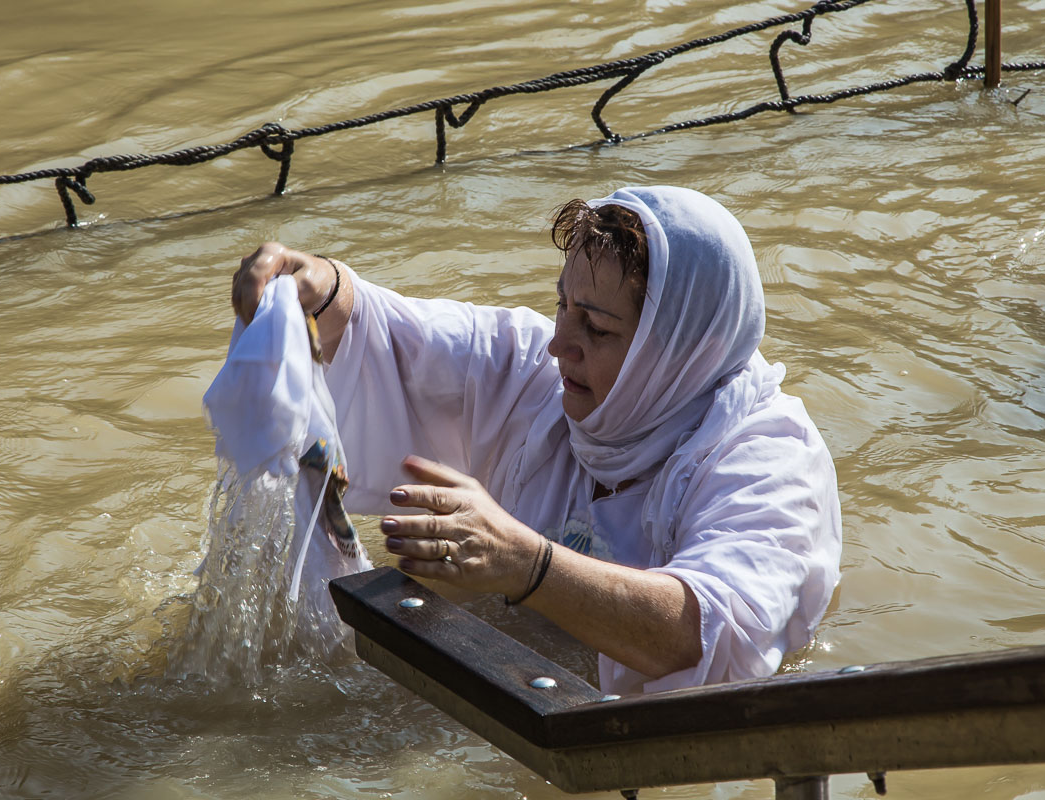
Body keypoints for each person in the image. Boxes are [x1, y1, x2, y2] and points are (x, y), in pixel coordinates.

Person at [230, 185, 842, 694]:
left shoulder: (768, 459)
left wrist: (527, 564)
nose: (559, 345)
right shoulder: (543, 378)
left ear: (677, 349)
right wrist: (316, 289)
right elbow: (387, 333)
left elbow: (713, 632)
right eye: (563, 307)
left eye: (596, 328)